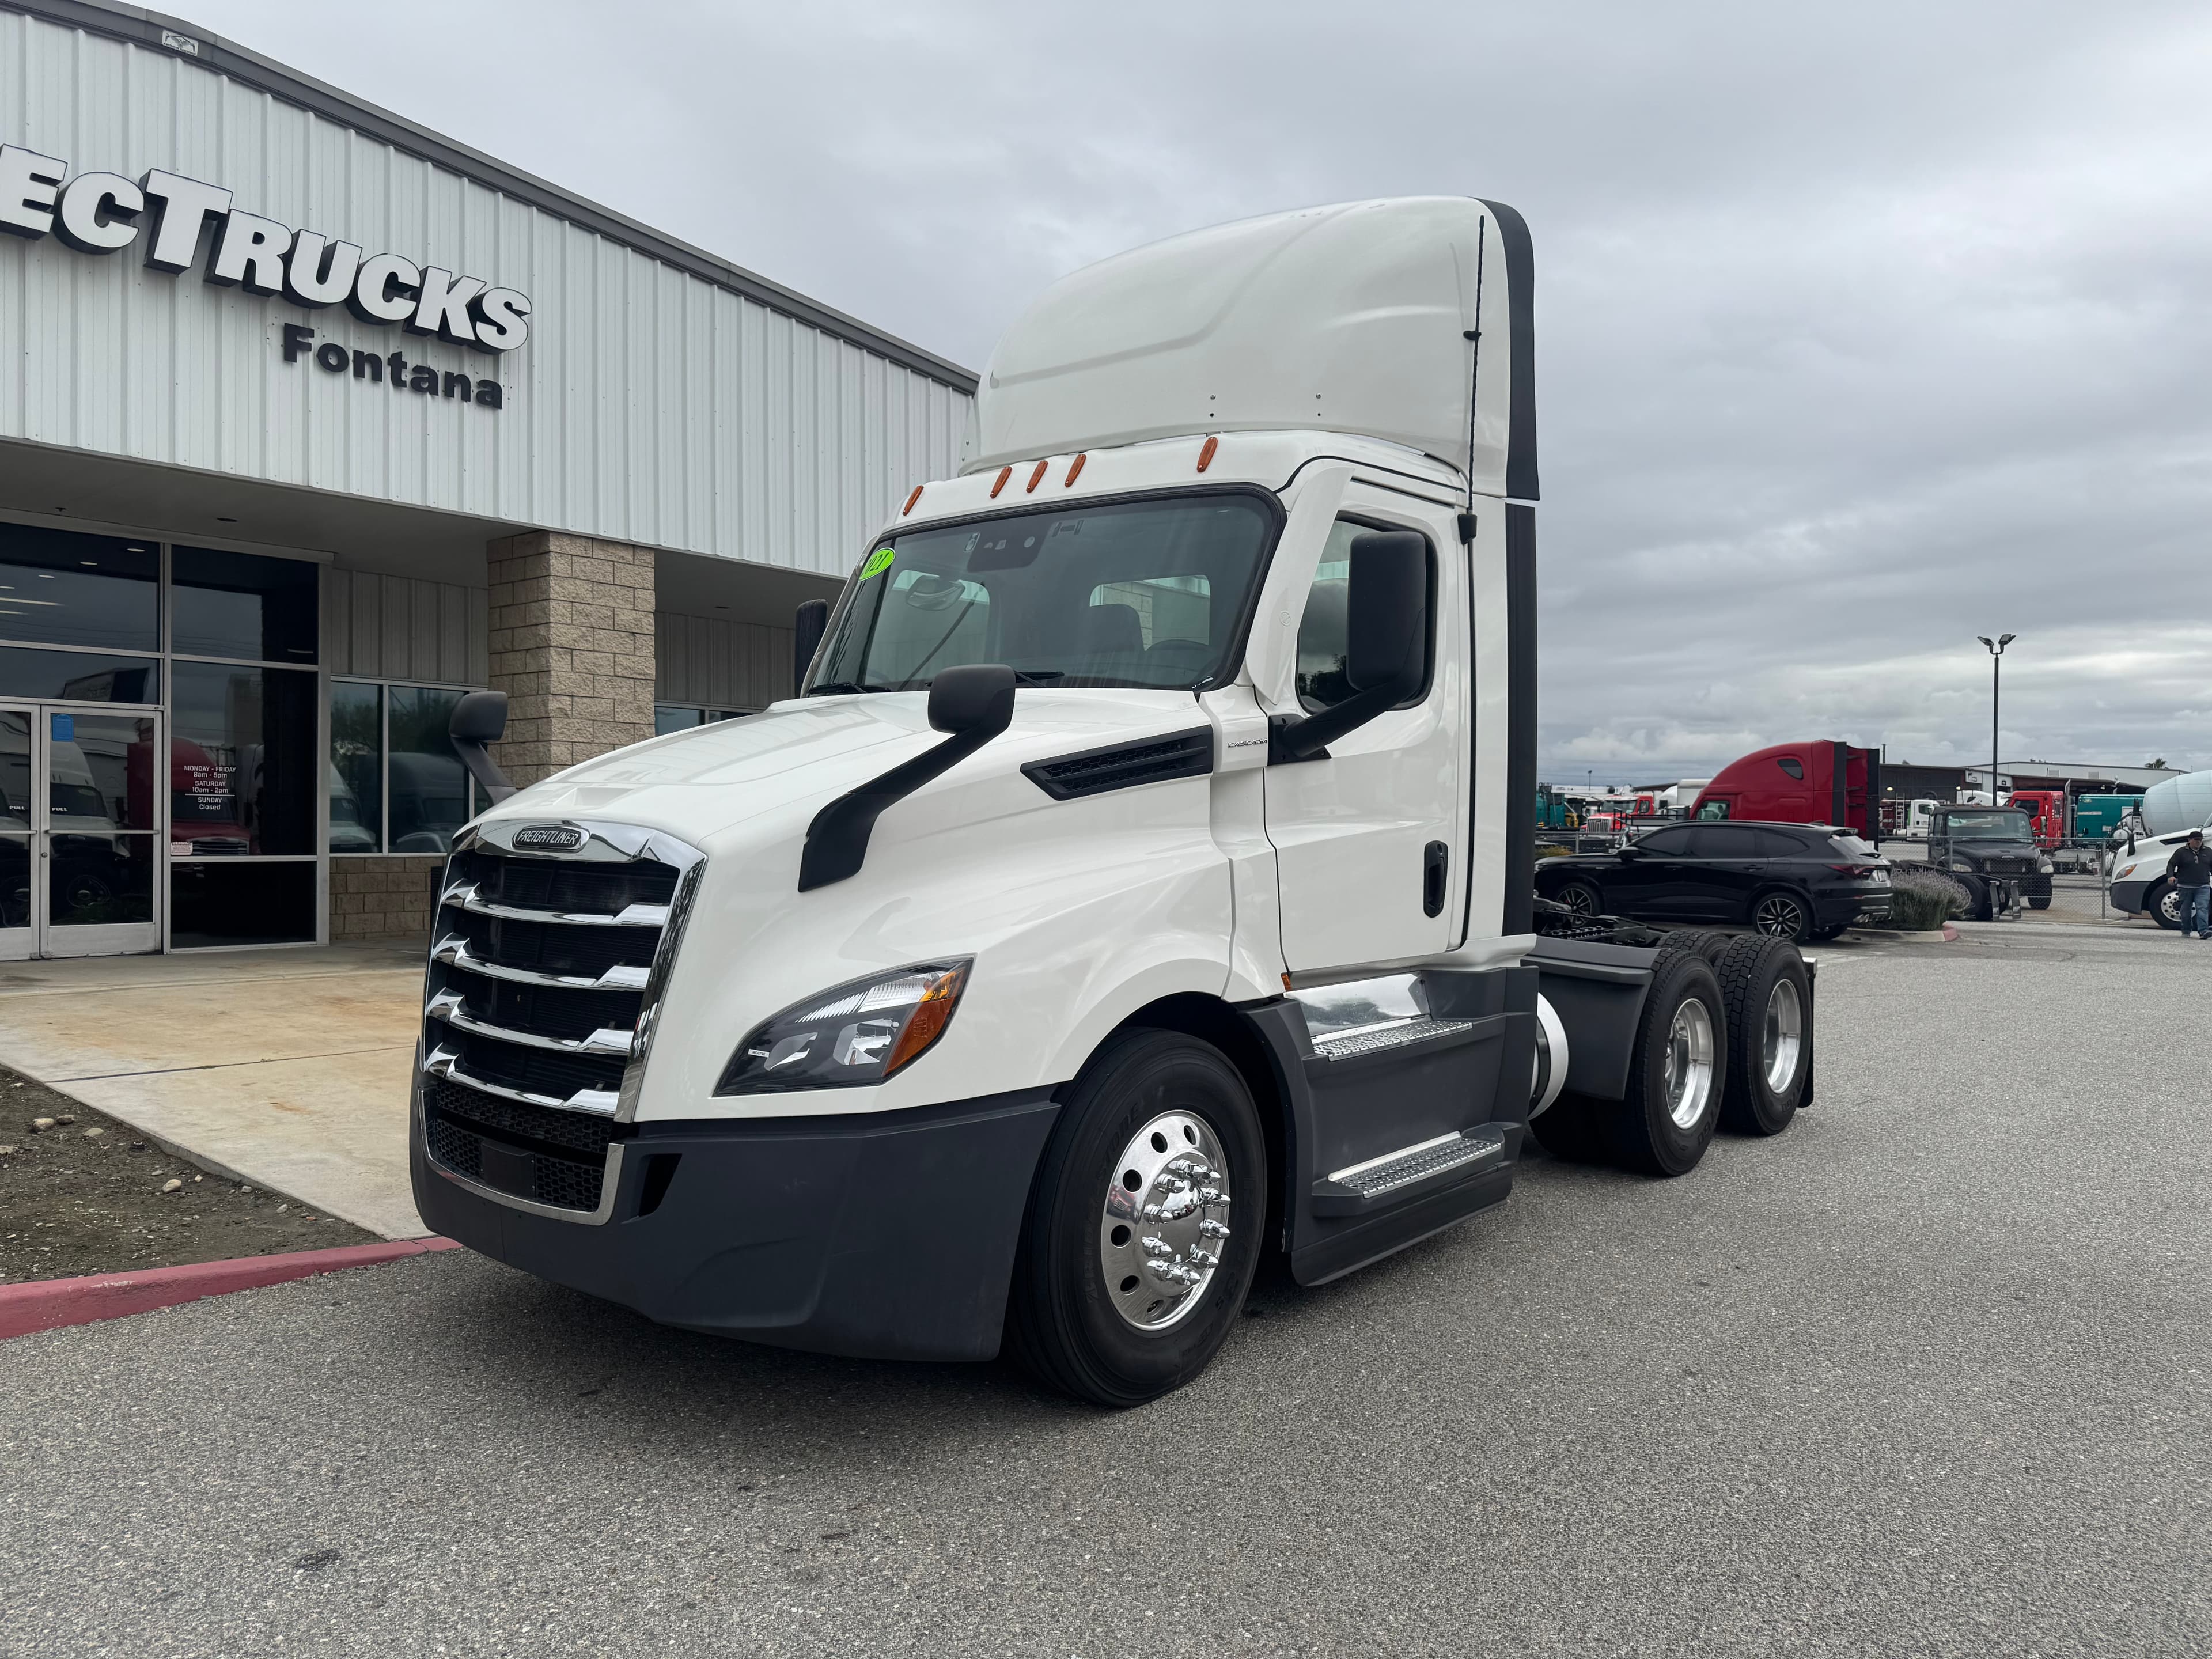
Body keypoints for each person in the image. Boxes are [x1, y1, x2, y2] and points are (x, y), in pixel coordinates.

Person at [2168, 828, 2212, 938]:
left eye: (2200, 840)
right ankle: (2186, 930)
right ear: (2190, 840)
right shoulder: (2181, 852)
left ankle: (2204, 931)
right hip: (2184, 886)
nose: (2199, 842)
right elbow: (2171, 864)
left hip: (2203, 886)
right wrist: (2171, 876)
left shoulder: (2209, 852)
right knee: (2185, 910)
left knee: (2202, 908)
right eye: (2196, 840)